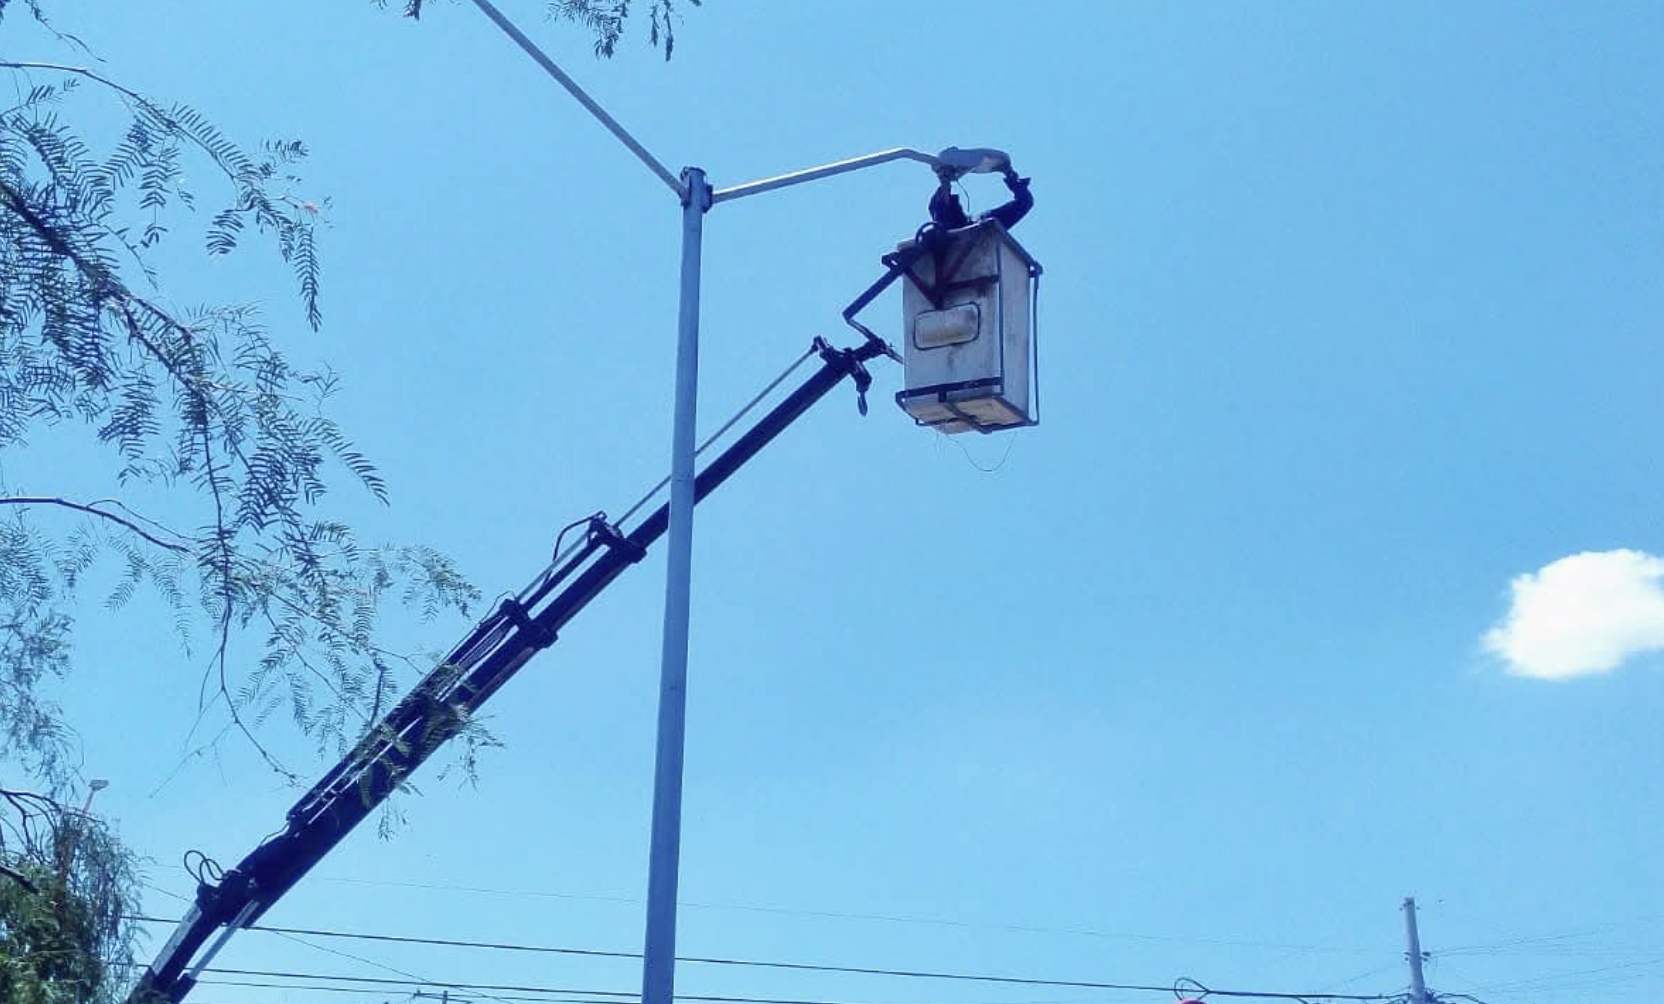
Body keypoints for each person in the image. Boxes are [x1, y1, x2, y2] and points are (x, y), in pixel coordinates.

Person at [927, 167, 1034, 232]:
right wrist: (945, 184)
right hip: (973, 230)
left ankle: (1010, 175)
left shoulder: (981, 224)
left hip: (976, 228)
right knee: (943, 217)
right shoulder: (945, 226)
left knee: (1025, 202)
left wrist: (1010, 176)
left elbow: (1025, 202)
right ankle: (945, 185)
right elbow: (941, 207)